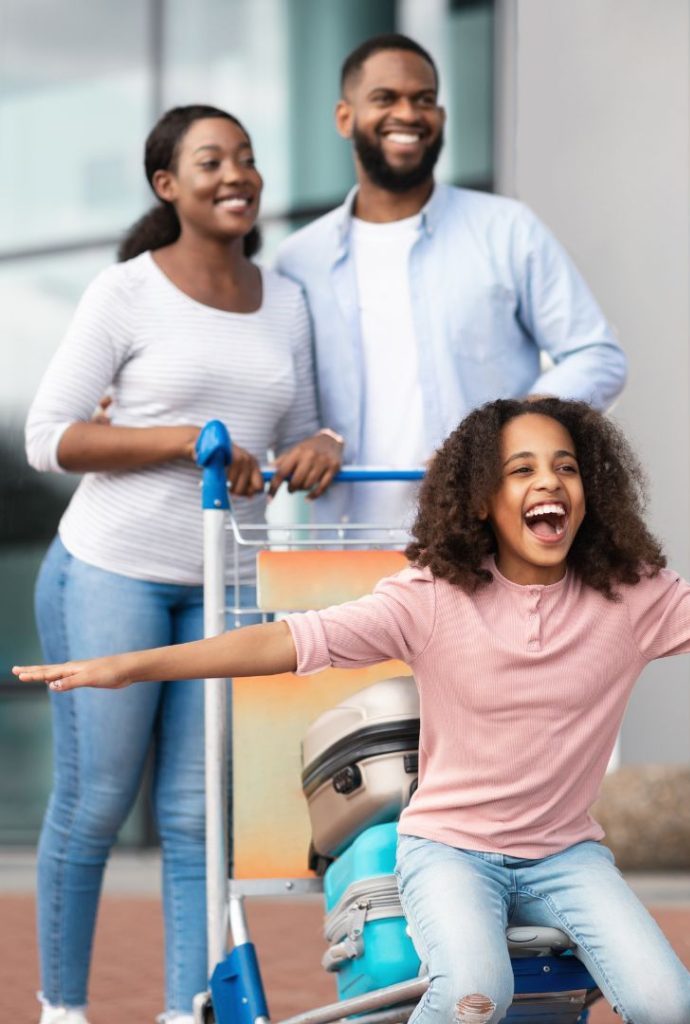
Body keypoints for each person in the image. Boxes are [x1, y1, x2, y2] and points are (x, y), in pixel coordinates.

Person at [14, 398, 690, 1024]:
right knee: (477, 993)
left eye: (566, 466)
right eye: (523, 469)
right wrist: (131, 663)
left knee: (669, 1003)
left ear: (591, 490)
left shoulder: (635, 596)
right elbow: (286, 640)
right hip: (446, 846)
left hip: (565, 853)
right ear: (483, 498)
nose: (550, 483)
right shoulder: (431, 595)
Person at [24, 105, 342, 1024]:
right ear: (168, 186)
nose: (236, 173)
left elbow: (301, 425)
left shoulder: (285, 298)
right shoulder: (126, 293)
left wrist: (321, 443)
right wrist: (184, 441)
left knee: (199, 817)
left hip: (228, 577)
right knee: (95, 802)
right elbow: (51, 438)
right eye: (211, 161)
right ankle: (62, 1011)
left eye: (246, 157)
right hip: (111, 570)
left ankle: (182, 1011)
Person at [275, 33, 627, 529]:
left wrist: (505, 433)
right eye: (385, 98)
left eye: (424, 99)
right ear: (344, 117)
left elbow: (598, 355)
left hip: (483, 539)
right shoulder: (297, 260)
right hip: (347, 544)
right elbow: (280, 395)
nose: (409, 113)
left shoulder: (506, 229)